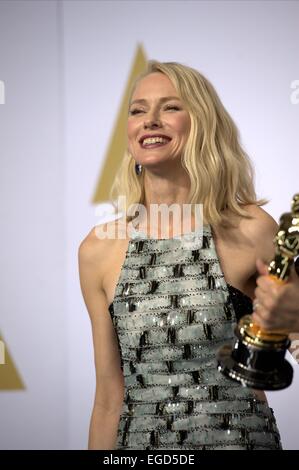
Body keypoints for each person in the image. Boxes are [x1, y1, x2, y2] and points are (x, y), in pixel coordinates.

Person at [78, 60, 298, 450]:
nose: (150, 120)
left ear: (201, 122)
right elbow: (109, 400)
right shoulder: (99, 249)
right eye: (137, 110)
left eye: (170, 107)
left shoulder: (250, 228)